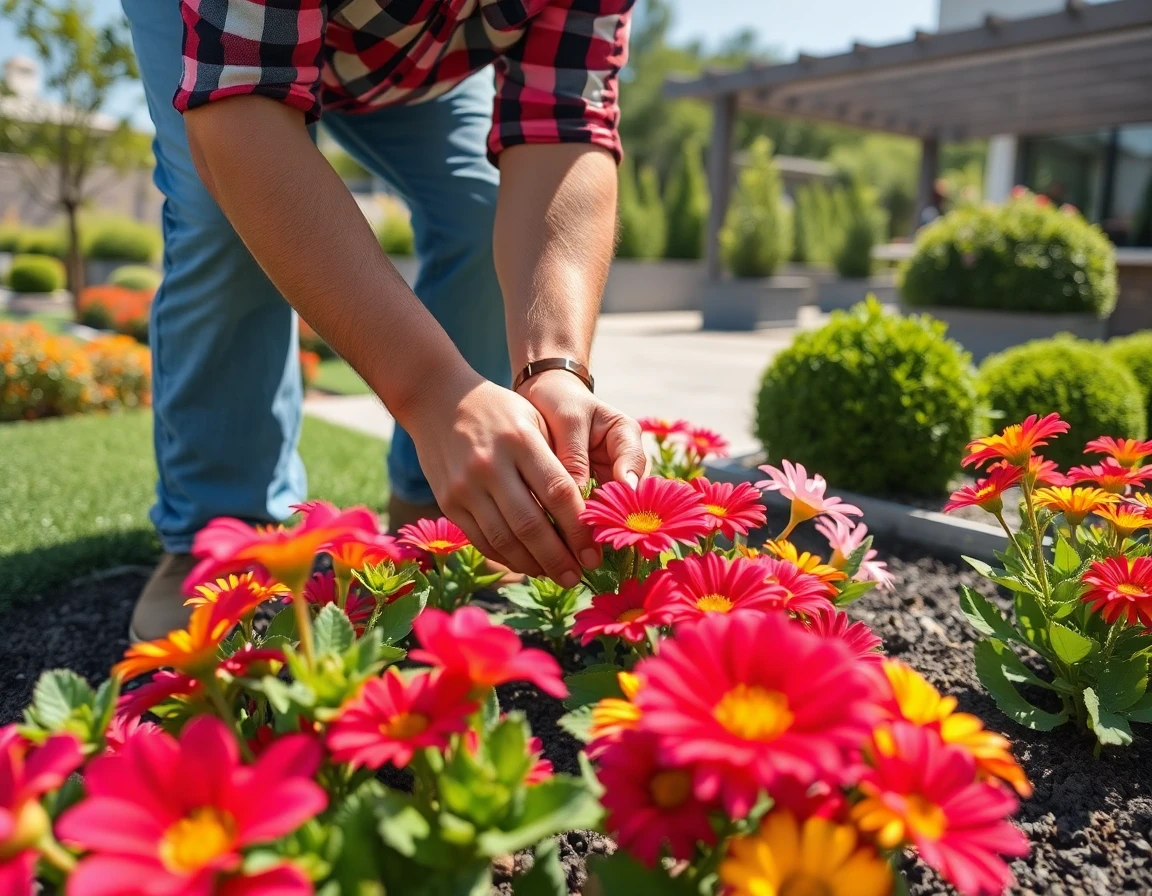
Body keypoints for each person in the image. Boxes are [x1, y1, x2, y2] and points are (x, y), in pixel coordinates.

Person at [122, 0, 645, 641]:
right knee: (223, 221)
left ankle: (433, 511)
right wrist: (433, 396)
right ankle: (220, 527)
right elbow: (241, 107)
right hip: (223, 35)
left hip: (411, 57)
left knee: (481, 205)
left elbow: (563, 122)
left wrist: (556, 366)